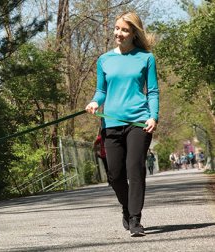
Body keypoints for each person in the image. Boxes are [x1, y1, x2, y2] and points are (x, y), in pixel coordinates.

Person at [85, 11, 159, 237]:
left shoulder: (146, 58)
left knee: (134, 169)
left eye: (124, 30)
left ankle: (136, 220)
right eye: (117, 28)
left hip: (138, 121)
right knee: (115, 174)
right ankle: (127, 209)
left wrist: (153, 116)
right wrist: (95, 102)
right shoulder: (104, 59)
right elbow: (101, 90)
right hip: (111, 123)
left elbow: (153, 91)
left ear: (133, 33)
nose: (119, 33)